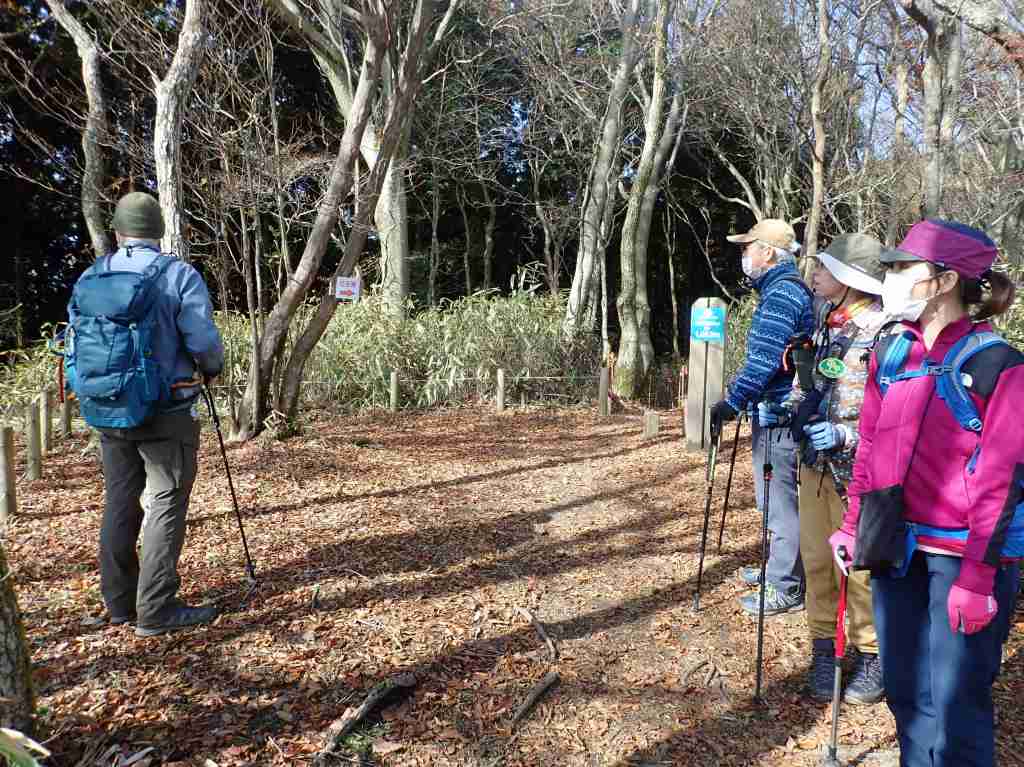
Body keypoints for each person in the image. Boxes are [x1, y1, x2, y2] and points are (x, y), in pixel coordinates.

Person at [830, 219, 1021, 766]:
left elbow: (1003, 479)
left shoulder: (998, 365)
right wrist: (851, 526)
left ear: (941, 281)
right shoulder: (892, 352)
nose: (888, 278)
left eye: (900, 268)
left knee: (958, 705)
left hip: (965, 559)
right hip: (896, 547)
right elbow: (869, 444)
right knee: (908, 696)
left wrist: (978, 580)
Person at [69, 192, 225, 637]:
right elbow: (203, 343)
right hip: (166, 408)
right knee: (165, 501)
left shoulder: (93, 276)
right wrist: (211, 369)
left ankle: (119, 603)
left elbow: (76, 343)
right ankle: (156, 610)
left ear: (118, 232)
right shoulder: (177, 275)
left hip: (106, 407)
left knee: (119, 499)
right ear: (159, 232)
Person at [759, 234, 888, 704]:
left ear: (852, 279)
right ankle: (822, 647)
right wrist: (783, 408)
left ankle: (872, 653)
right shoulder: (827, 324)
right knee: (817, 561)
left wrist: (846, 435)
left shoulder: (884, 332)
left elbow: (891, 412)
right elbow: (810, 384)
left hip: (860, 474)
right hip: (814, 465)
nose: (814, 275)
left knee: (859, 568)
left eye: (825, 269)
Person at [710, 218, 815, 616]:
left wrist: (732, 402)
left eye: (747, 247)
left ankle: (785, 586)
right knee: (776, 497)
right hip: (776, 409)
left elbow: (763, 360)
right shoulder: (780, 290)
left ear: (767, 253)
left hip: (779, 413)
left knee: (777, 500)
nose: (743, 255)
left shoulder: (781, 295)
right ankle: (780, 568)